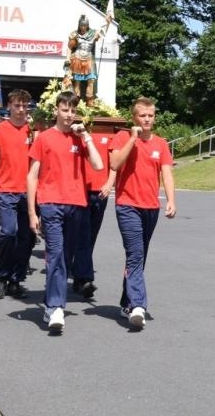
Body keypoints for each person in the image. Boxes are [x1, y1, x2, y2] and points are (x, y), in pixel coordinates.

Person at [27, 91, 104, 334]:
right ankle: (55, 306)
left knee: (66, 258)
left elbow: (98, 165)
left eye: (72, 110)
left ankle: (54, 301)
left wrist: (87, 138)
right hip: (51, 203)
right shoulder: (44, 138)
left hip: (76, 204)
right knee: (56, 255)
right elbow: (32, 176)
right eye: (65, 109)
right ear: (56, 111)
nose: (69, 115)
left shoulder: (80, 138)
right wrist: (32, 212)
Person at [109, 97, 177, 330]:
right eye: (142, 116)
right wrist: (133, 139)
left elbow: (167, 173)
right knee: (136, 254)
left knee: (139, 256)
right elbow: (115, 164)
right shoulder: (122, 137)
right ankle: (138, 306)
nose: (147, 119)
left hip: (151, 207)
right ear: (134, 117)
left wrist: (171, 200)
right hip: (127, 205)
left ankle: (126, 301)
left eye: (150, 116)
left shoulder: (161, 143)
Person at [0, 90, 36, 300]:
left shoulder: (34, 131)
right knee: (8, 233)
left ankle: (16, 279)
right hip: (6, 192)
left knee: (27, 238)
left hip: (30, 194)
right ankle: (1, 277)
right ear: (9, 107)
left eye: (25, 106)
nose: (21, 110)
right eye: (17, 106)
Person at [71, 117, 115, 300]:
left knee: (90, 236)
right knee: (83, 235)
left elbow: (114, 164)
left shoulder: (109, 133)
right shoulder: (75, 133)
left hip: (101, 192)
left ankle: (79, 276)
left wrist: (109, 183)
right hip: (80, 192)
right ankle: (85, 278)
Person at [65, 15, 102, 100]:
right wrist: (67, 58)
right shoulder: (75, 34)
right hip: (78, 58)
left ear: (87, 25)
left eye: (85, 25)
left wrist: (108, 21)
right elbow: (70, 47)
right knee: (77, 81)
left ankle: (90, 100)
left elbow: (103, 32)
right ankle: (76, 99)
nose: (83, 27)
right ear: (79, 25)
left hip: (88, 59)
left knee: (91, 80)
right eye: (81, 25)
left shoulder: (93, 33)